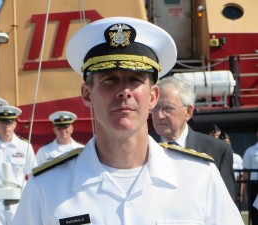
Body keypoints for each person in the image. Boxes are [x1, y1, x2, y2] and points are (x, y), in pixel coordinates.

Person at [13, 17, 244, 225]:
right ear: (87, 94)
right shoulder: (46, 188)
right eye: (109, 80)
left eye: (135, 80)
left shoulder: (199, 178)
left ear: (153, 97)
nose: (124, 92)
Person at [150, 76, 237, 200]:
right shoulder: (142, 147)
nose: (159, 115)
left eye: (167, 108)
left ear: (188, 112)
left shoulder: (217, 151)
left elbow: (226, 205)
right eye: (155, 108)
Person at [219, 131, 244, 203]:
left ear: (230, 143)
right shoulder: (215, 157)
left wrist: (240, 194)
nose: (225, 145)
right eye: (222, 142)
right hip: (220, 188)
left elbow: (241, 177)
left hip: (234, 189)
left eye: (226, 142)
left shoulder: (237, 158)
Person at [242, 131, 258, 225]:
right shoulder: (250, 151)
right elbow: (245, 174)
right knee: (255, 215)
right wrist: (246, 192)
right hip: (255, 187)